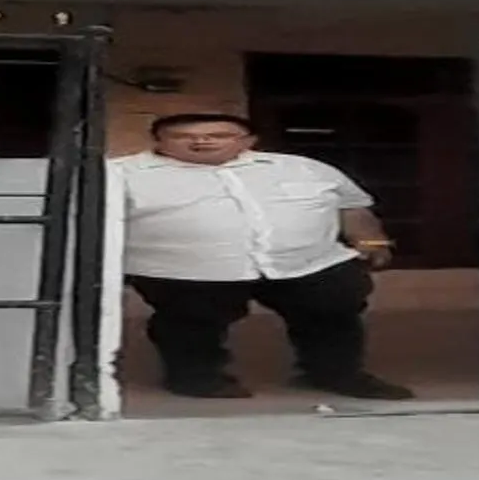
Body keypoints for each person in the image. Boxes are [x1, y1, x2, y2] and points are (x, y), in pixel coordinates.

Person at [115, 112, 415, 401]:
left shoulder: (304, 168)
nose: (203, 142)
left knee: (333, 314)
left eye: (219, 135)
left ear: (248, 140)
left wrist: (372, 240)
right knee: (191, 323)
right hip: (184, 268)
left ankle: (337, 374)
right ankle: (197, 378)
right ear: (158, 141)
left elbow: (352, 206)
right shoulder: (119, 173)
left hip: (310, 262)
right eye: (184, 136)